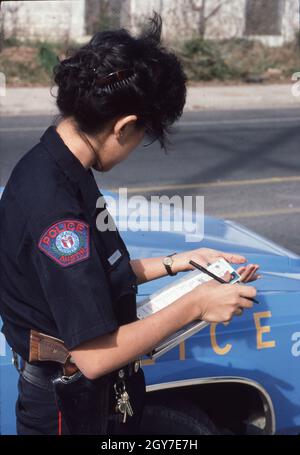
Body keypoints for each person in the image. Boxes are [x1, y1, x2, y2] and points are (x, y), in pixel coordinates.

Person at [0, 14, 259, 435]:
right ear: (124, 127)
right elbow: (93, 356)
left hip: (84, 395)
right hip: (68, 410)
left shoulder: (58, 163)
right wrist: (196, 305)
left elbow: (89, 278)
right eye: (142, 137)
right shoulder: (55, 208)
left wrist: (181, 262)